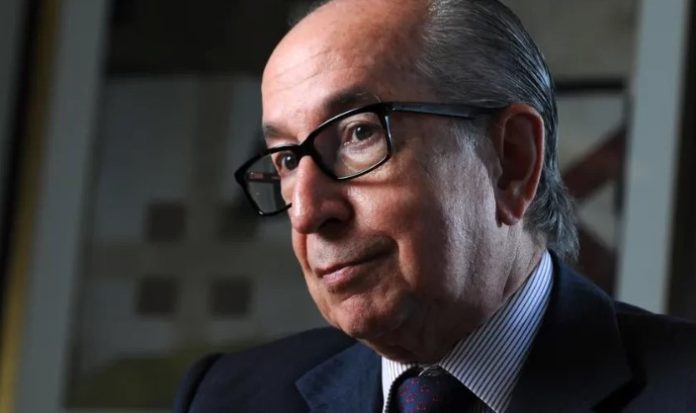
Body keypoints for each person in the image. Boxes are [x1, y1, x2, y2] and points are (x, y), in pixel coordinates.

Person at [174, 0, 696, 412]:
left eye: (359, 134)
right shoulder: (226, 398)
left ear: (511, 160)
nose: (308, 213)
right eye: (287, 160)